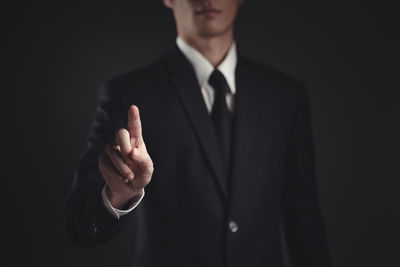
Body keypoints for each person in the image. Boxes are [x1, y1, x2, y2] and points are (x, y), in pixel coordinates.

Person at [65, 0, 332, 266]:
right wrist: (118, 197)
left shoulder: (285, 96)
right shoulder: (127, 93)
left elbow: (304, 221)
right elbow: (80, 226)